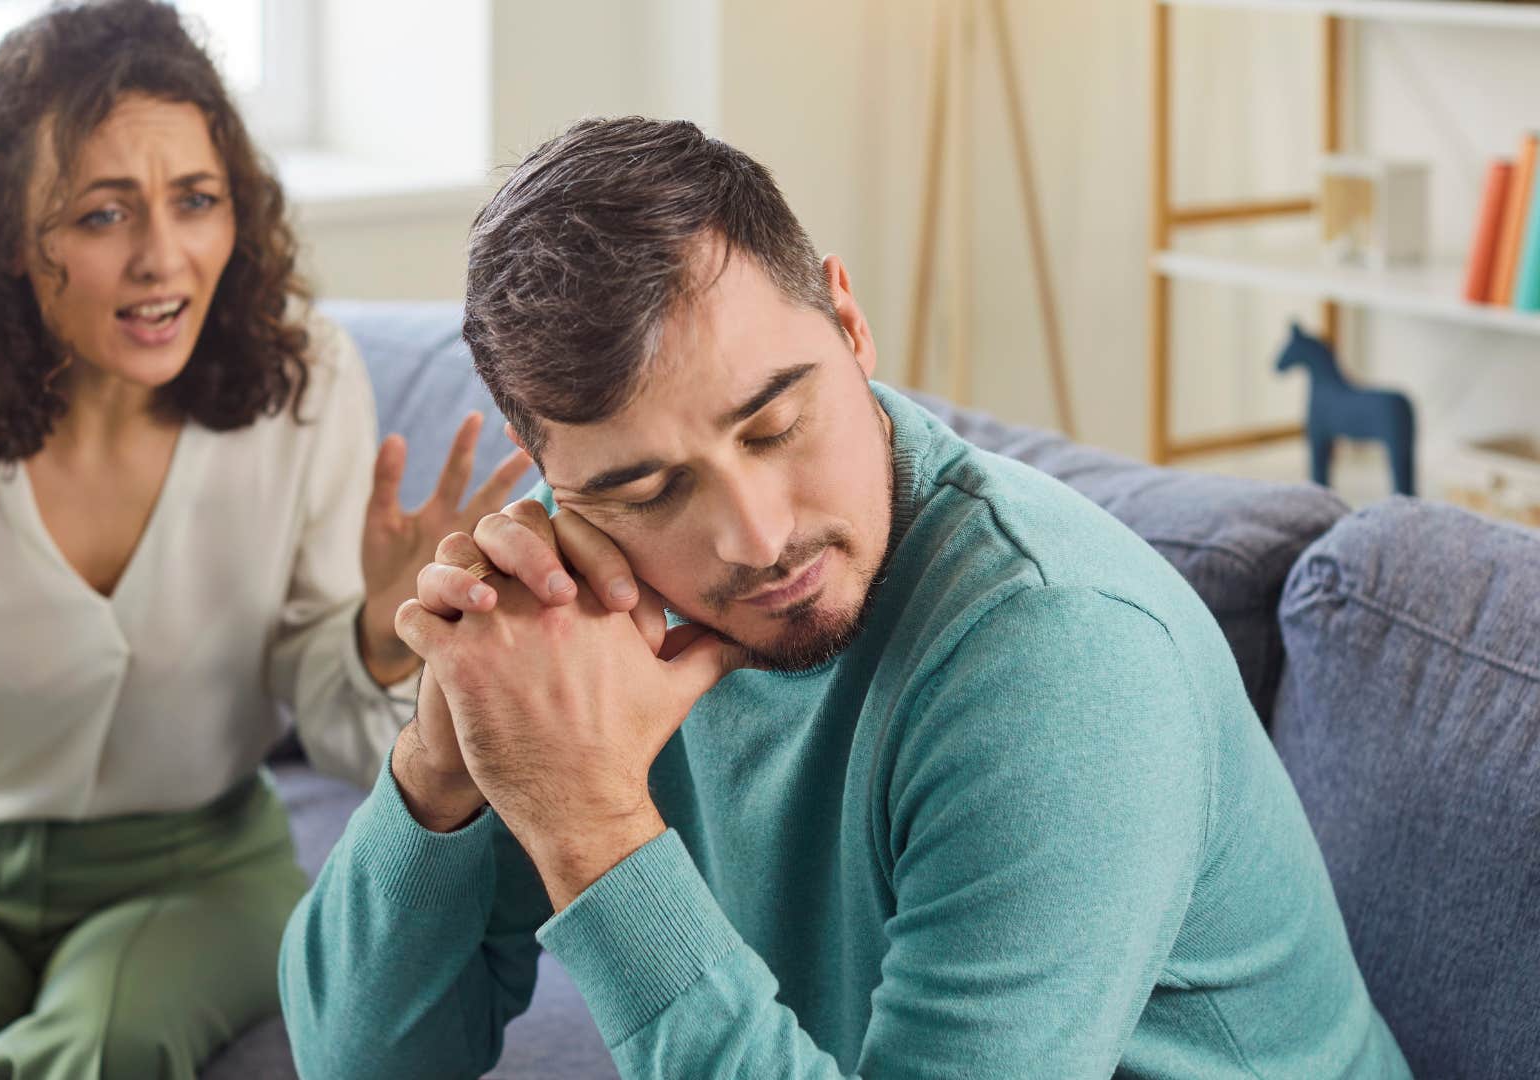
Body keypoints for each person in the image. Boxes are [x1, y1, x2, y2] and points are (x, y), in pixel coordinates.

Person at [277, 117, 1411, 1078]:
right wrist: (445, 758)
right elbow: (359, 1057)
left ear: (850, 322)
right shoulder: (585, 605)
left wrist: (591, 829)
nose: (758, 537)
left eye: (775, 424)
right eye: (650, 489)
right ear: (559, 486)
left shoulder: (1060, 656)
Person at [0, 2, 527, 1076]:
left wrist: (383, 635)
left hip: (199, 869)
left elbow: (337, 714)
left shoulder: (306, 385)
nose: (163, 258)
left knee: (99, 1046)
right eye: (104, 215)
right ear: (15, 237)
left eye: (196, 202)